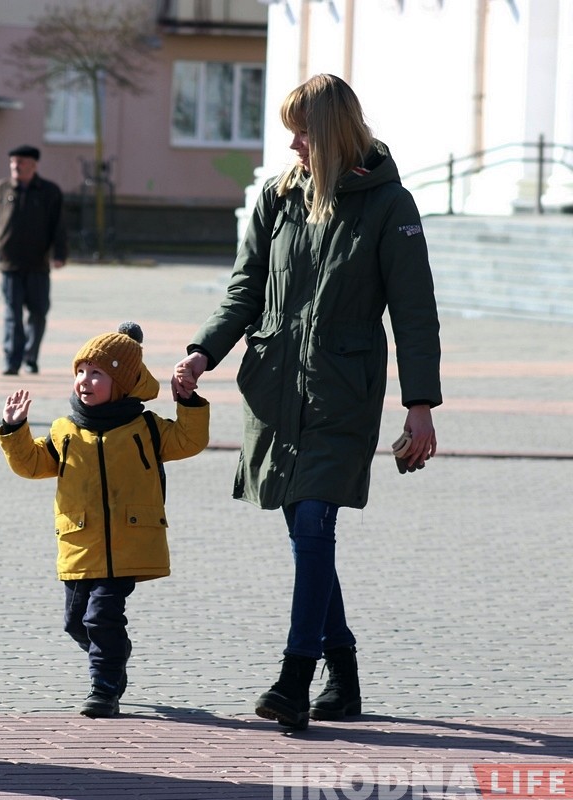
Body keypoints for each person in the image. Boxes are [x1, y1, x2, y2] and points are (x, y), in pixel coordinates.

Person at [171, 73, 442, 731]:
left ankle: (296, 676)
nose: (292, 144)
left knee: (316, 521)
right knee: (305, 531)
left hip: (343, 392)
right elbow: (245, 289)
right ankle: (343, 672)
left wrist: (420, 405)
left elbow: (414, 312)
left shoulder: (390, 204)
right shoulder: (277, 197)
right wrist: (203, 353)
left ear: (331, 133)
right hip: (274, 388)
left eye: (302, 132)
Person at [0, 322, 210, 718]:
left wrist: (188, 402)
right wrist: (14, 429)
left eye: (97, 373)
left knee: (102, 617)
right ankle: (113, 653)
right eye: (80, 371)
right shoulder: (64, 429)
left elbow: (189, 440)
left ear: (123, 383)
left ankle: (105, 687)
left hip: (129, 543)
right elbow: (32, 465)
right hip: (80, 543)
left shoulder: (145, 426)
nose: (85, 380)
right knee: (76, 623)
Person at [0, 144, 67, 376]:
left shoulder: (49, 192)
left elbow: (59, 227)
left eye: (21, 162)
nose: (15, 166)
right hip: (9, 265)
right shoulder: (0, 190)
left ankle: (31, 357)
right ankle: (12, 360)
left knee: (38, 313)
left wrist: (60, 255)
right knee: (13, 314)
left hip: (38, 266)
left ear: (33, 165)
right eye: (13, 161)